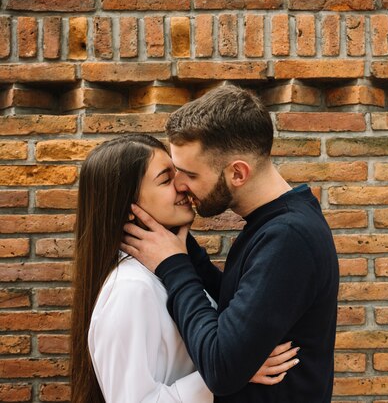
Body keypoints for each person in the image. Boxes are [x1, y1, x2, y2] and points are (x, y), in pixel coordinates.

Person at [121, 85, 340, 402]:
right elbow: (240, 305)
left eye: (188, 174)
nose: (180, 186)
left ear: (238, 173)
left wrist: (175, 266)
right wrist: (182, 249)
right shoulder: (274, 225)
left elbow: (221, 368)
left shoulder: (289, 237)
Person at [71, 135, 298, 403]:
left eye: (177, 173)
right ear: (128, 208)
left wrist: (235, 359)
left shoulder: (166, 268)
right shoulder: (131, 289)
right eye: (165, 180)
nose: (181, 185)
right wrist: (235, 370)